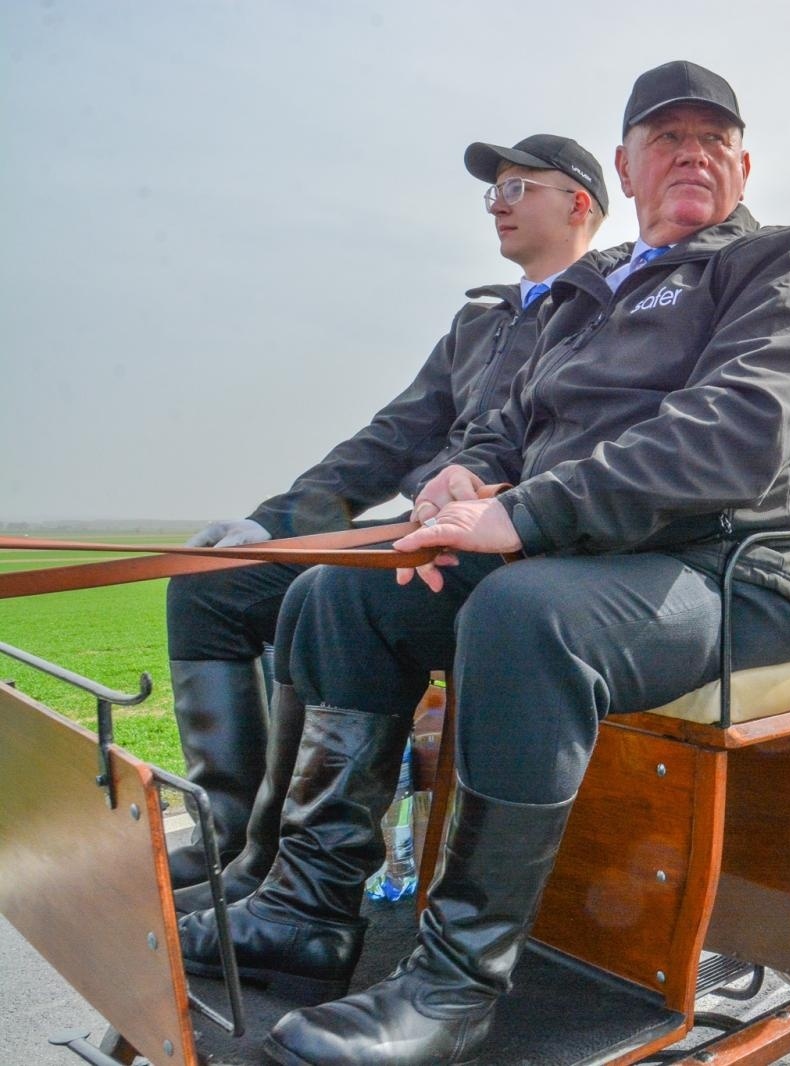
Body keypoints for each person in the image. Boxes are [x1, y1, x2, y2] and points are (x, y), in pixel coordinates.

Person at [180, 61, 790, 1066]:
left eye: (712, 139)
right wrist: (461, 486)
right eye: (665, 137)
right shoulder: (592, 287)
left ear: (744, 163)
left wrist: (523, 515)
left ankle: (455, 984)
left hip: (739, 572)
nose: (691, 152)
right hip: (603, 554)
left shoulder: (771, 263)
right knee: (338, 597)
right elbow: (507, 425)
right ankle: (308, 908)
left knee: (525, 611)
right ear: (624, 170)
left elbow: (733, 437)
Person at [160, 132, 609, 898]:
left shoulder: (610, 310)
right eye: (490, 192)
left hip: (512, 541)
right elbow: (388, 439)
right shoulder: (477, 325)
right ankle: (230, 839)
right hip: (421, 528)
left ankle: (289, 874)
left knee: (328, 597)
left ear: (579, 204)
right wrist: (269, 525)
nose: (496, 206)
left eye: (516, 188)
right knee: (208, 590)